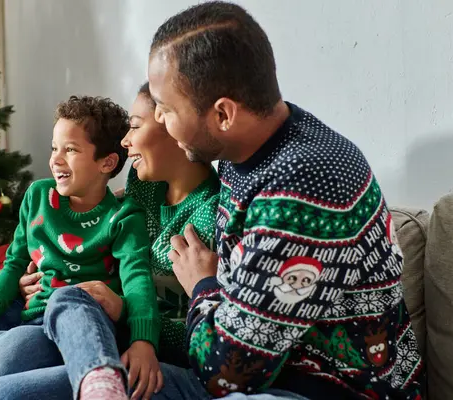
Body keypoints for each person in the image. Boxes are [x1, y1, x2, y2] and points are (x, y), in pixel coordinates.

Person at [145, 2, 424, 399]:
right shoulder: (250, 148)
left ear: (224, 113)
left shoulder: (302, 189)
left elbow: (226, 373)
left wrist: (202, 284)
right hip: (265, 370)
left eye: (167, 107)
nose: (157, 118)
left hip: (327, 388)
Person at [0, 84, 222, 400]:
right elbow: (28, 251)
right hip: (55, 302)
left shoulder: (208, 218)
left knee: (41, 325)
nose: (127, 142)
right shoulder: (144, 184)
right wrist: (26, 282)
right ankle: (14, 346)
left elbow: (139, 279)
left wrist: (129, 320)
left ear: (175, 126)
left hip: (97, 316)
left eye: (135, 127)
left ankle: (63, 362)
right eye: (54, 148)